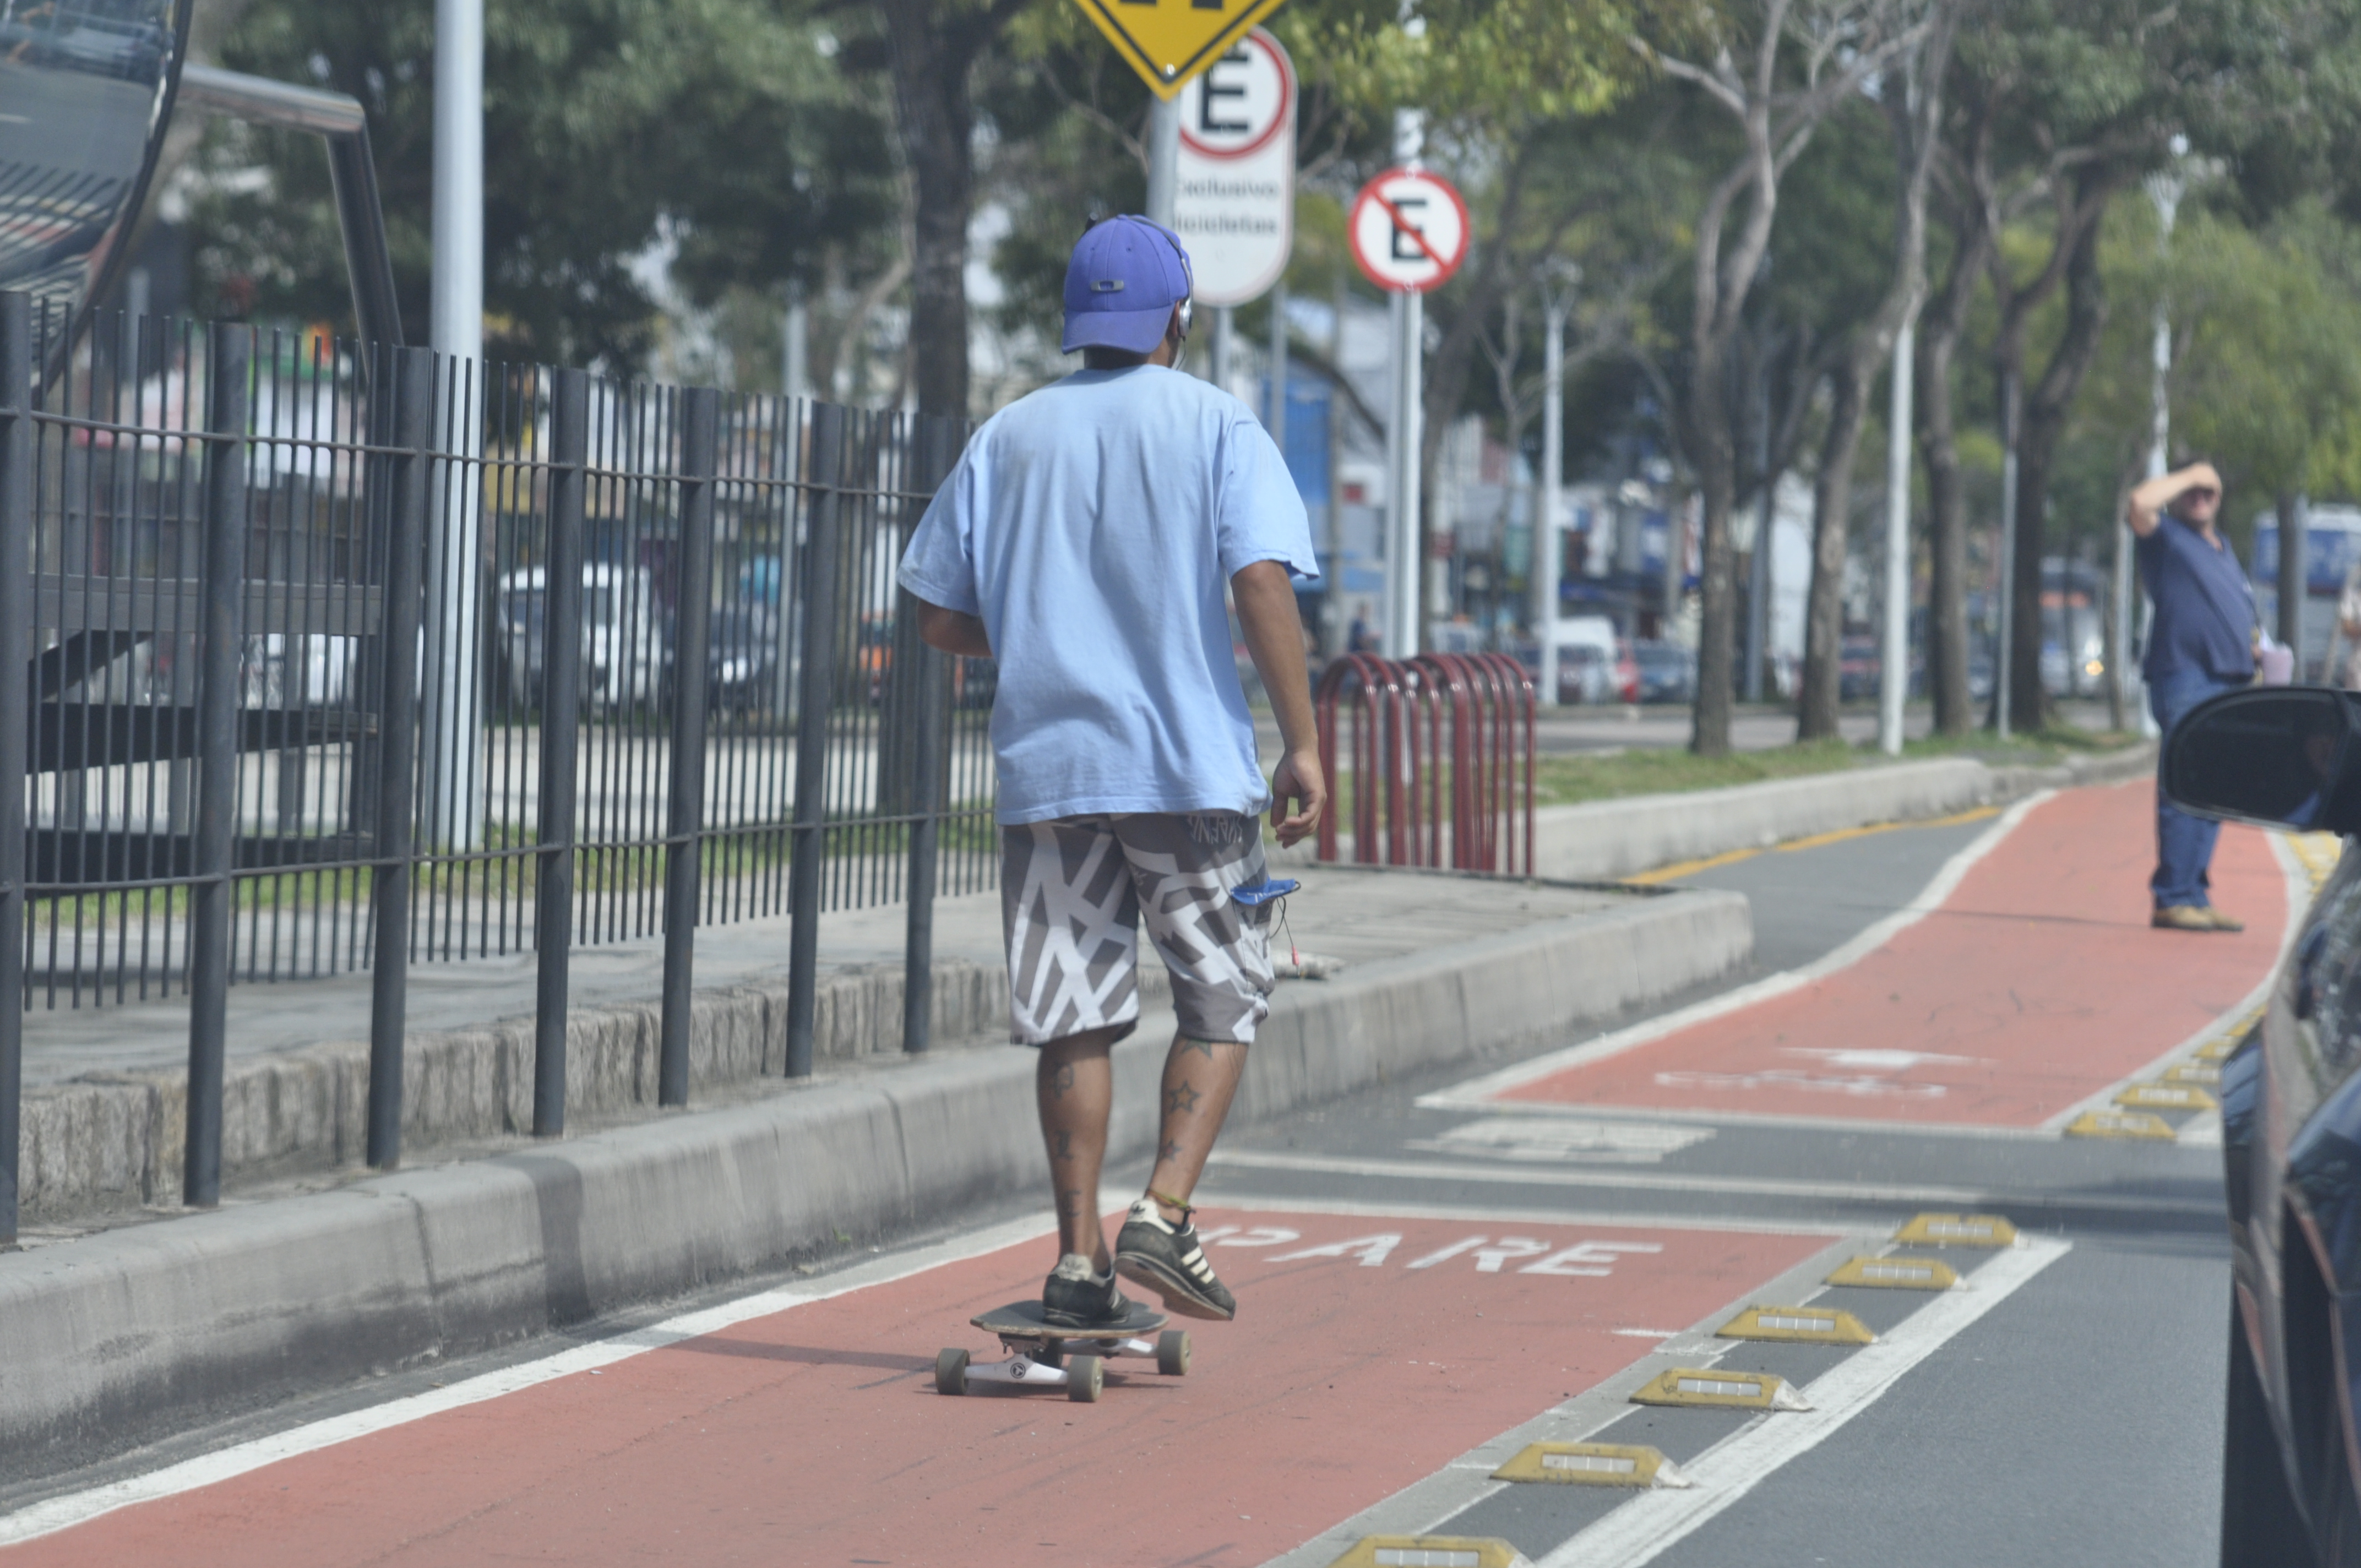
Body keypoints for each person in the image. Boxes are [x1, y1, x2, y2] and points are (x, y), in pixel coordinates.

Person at [897, 215, 1325, 1330]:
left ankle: (1078, 1262)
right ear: (1178, 319)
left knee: (1070, 1012)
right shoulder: (1216, 424)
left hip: (1051, 776)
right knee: (1223, 988)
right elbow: (1261, 582)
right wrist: (1302, 740)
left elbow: (937, 614)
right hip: (1186, 773)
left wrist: (1045, 637)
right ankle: (1164, 1212)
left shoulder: (1008, 434)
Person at [2126, 460, 2253, 932]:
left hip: (2230, 680)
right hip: (2186, 676)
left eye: (2208, 491)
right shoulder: (2167, 539)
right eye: (2191, 492)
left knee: (2213, 789)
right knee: (2184, 783)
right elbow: (2139, 503)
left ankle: (2194, 893)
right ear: (2178, 496)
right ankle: (2173, 895)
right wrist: (2196, 473)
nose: (2200, 498)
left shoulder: (2223, 549)